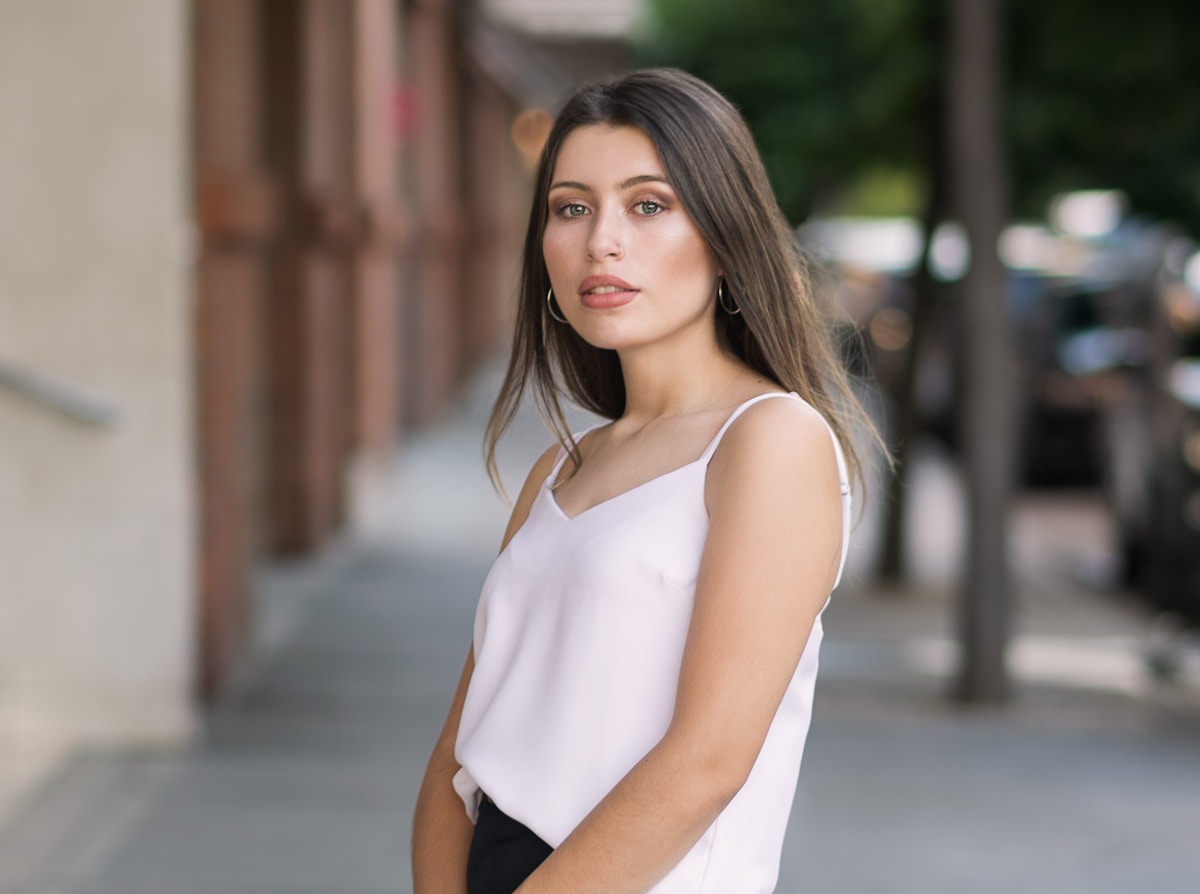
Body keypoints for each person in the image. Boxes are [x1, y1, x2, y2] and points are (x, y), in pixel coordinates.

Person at [412, 68, 877, 894]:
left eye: (649, 204)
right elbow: (459, 758)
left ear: (727, 236)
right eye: (571, 206)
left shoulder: (770, 442)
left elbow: (708, 761)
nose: (602, 242)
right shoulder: (562, 468)